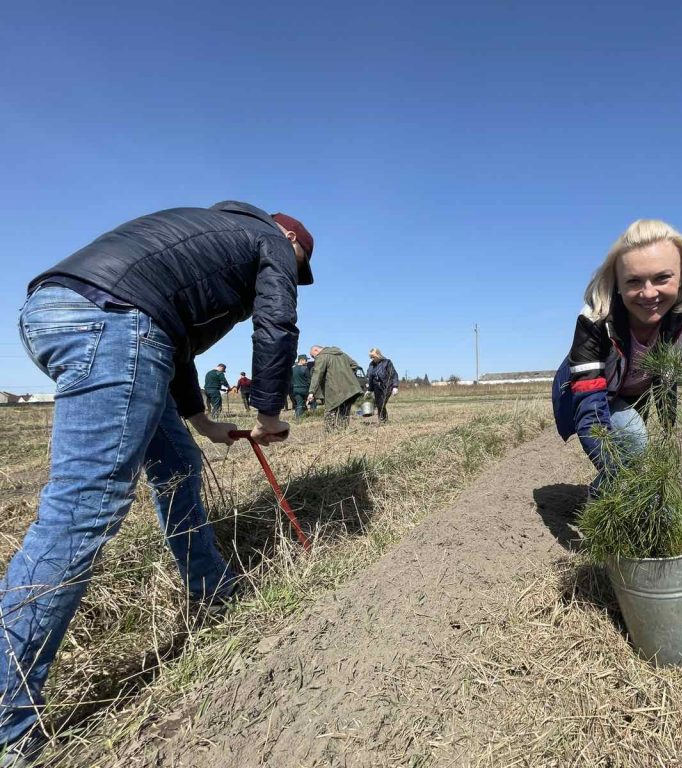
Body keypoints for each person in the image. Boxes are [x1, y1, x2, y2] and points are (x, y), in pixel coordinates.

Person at [0, 201, 314, 765]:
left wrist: (202, 422)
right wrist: (269, 411)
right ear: (289, 236)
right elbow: (277, 322)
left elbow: (173, 345)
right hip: (113, 322)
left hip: (57, 309)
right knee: (82, 510)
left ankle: (211, 589)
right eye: (300, 265)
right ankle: (7, 719)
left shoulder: (203, 231)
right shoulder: (269, 240)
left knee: (178, 464)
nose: (296, 275)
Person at [552, 219, 682, 500]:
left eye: (662, 278)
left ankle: (607, 499)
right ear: (617, 284)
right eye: (634, 281)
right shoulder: (596, 315)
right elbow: (589, 402)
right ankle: (609, 506)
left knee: (634, 459)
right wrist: (616, 468)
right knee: (634, 443)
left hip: (637, 394)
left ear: (681, 276)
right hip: (590, 392)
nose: (648, 293)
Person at [308, 345, 362, 430]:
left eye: (312, 356)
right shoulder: (342, 354)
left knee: (330, 411)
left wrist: (311, 392)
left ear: (316, 350)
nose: (314, 358)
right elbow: (354, 365)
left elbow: (317, 374)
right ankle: (343, 432)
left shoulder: (322, 356)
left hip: (333, 388)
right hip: (349, 388)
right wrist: (346, 374)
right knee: (344, 412)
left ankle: (330, 435)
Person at [366, 348, 399, 423]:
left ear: (378, 355)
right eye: (370, 357)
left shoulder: (387, 362)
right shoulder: (371, 364)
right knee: (379, 404)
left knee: (382, 403)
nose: (371, 358)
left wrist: (395, 386)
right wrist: (369, 390)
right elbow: (370, 378)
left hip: (387, 386)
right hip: (376, 387)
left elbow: (394, 374)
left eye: (373, 356)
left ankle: (383, 420)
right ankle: (383, 420)